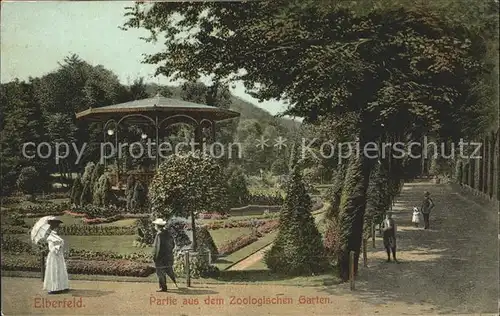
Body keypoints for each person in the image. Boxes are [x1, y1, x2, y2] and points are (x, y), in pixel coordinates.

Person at [44, 217, 70, 294]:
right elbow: (51, 249)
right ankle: (54, 288)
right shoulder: (50, 237)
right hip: (54, 257)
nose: (58, 229)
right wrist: (59, 246)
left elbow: (60, 243)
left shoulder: (57, 236)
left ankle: (62, 286)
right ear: (54, 227)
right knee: (54, 271)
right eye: (57, 227)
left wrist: (60, 244)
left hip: (59, 256)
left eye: (58, 227)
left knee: (60, 270)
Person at [152, 218, 178, 292]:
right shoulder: (168, 233)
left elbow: (157, 247)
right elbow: (173, 244)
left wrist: (155, 257)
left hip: (160, 257)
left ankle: (163, 287)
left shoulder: (159, 235)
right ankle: (175, 283)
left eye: (155, 225)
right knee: (169, 270)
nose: (154, 226)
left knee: (160, 272)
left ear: (157, 226)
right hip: (168, 256)